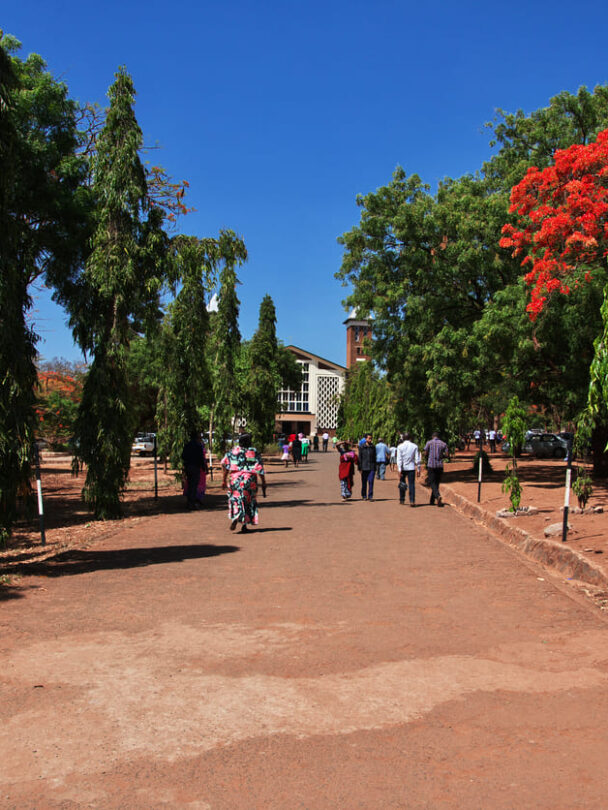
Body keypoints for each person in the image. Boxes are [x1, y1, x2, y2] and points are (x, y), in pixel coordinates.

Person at [221, 432, 267, 532]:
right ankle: (244, 525)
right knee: (248, 501)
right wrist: (263, 482)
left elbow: (224, 464)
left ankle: (235, 517)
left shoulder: (233, 451)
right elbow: (259, 468)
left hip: (235, 479)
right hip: (249, 480)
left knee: (236, 500)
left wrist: (224, 480)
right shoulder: (253, 451)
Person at [182, 431, 208, 510]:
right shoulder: (198, 446)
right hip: (196, 467)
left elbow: (183, 456)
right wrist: (203, 467)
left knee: (189, 484)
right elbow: (201, 458)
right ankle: (192, 503)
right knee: (194, 485)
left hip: (188, 467)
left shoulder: (187, 445)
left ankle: (189, 502)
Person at [424, 431, 449, 506]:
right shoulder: (443, 444)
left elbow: (425, 453)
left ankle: (437, 496)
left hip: (431, 465)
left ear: (432, 436)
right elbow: (447, 455)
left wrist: (428, 455)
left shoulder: (429, 443)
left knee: (431, 482)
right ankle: (432, 501)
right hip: (439, 466)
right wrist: (441, 456)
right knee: (436, 483)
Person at [397, 433, 421, 506]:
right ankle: (412, 500)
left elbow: (399, 459)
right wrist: (418, 469)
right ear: (410, 438)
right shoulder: (415, 446)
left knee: (402, 484)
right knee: (411, 484)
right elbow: (417, 459)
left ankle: (402, 499)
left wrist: (399, 469)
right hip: (411, 468)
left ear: (403, 438)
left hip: (403, 468)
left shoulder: (400, 447)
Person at [359, 433, 376, 501]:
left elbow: (374, 457)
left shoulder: (373, 447)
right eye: (369, 438)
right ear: (366, 439)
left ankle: (370, 496)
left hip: (371, 467)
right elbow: (360, 458)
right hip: (364, 467)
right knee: (364, 482)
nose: (370, 439)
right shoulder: (362, 447)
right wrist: (360, 468)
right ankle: (364, 495)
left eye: (371, 438)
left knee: (371, 481)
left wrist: (375, 467)